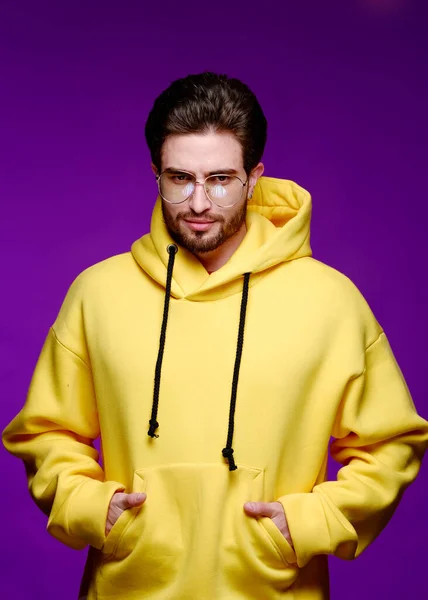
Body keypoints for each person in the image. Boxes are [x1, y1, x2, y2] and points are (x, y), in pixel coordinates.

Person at [3, 72, 428, 600]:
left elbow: (392, 442)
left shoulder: (331, 301)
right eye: (180, 178)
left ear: (254, 177)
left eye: (221, 179)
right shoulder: (97, 293)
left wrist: (310, 523)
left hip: (276, 590)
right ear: (156, 175)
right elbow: (45, 433)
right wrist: (95, 510)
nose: (199, 202)